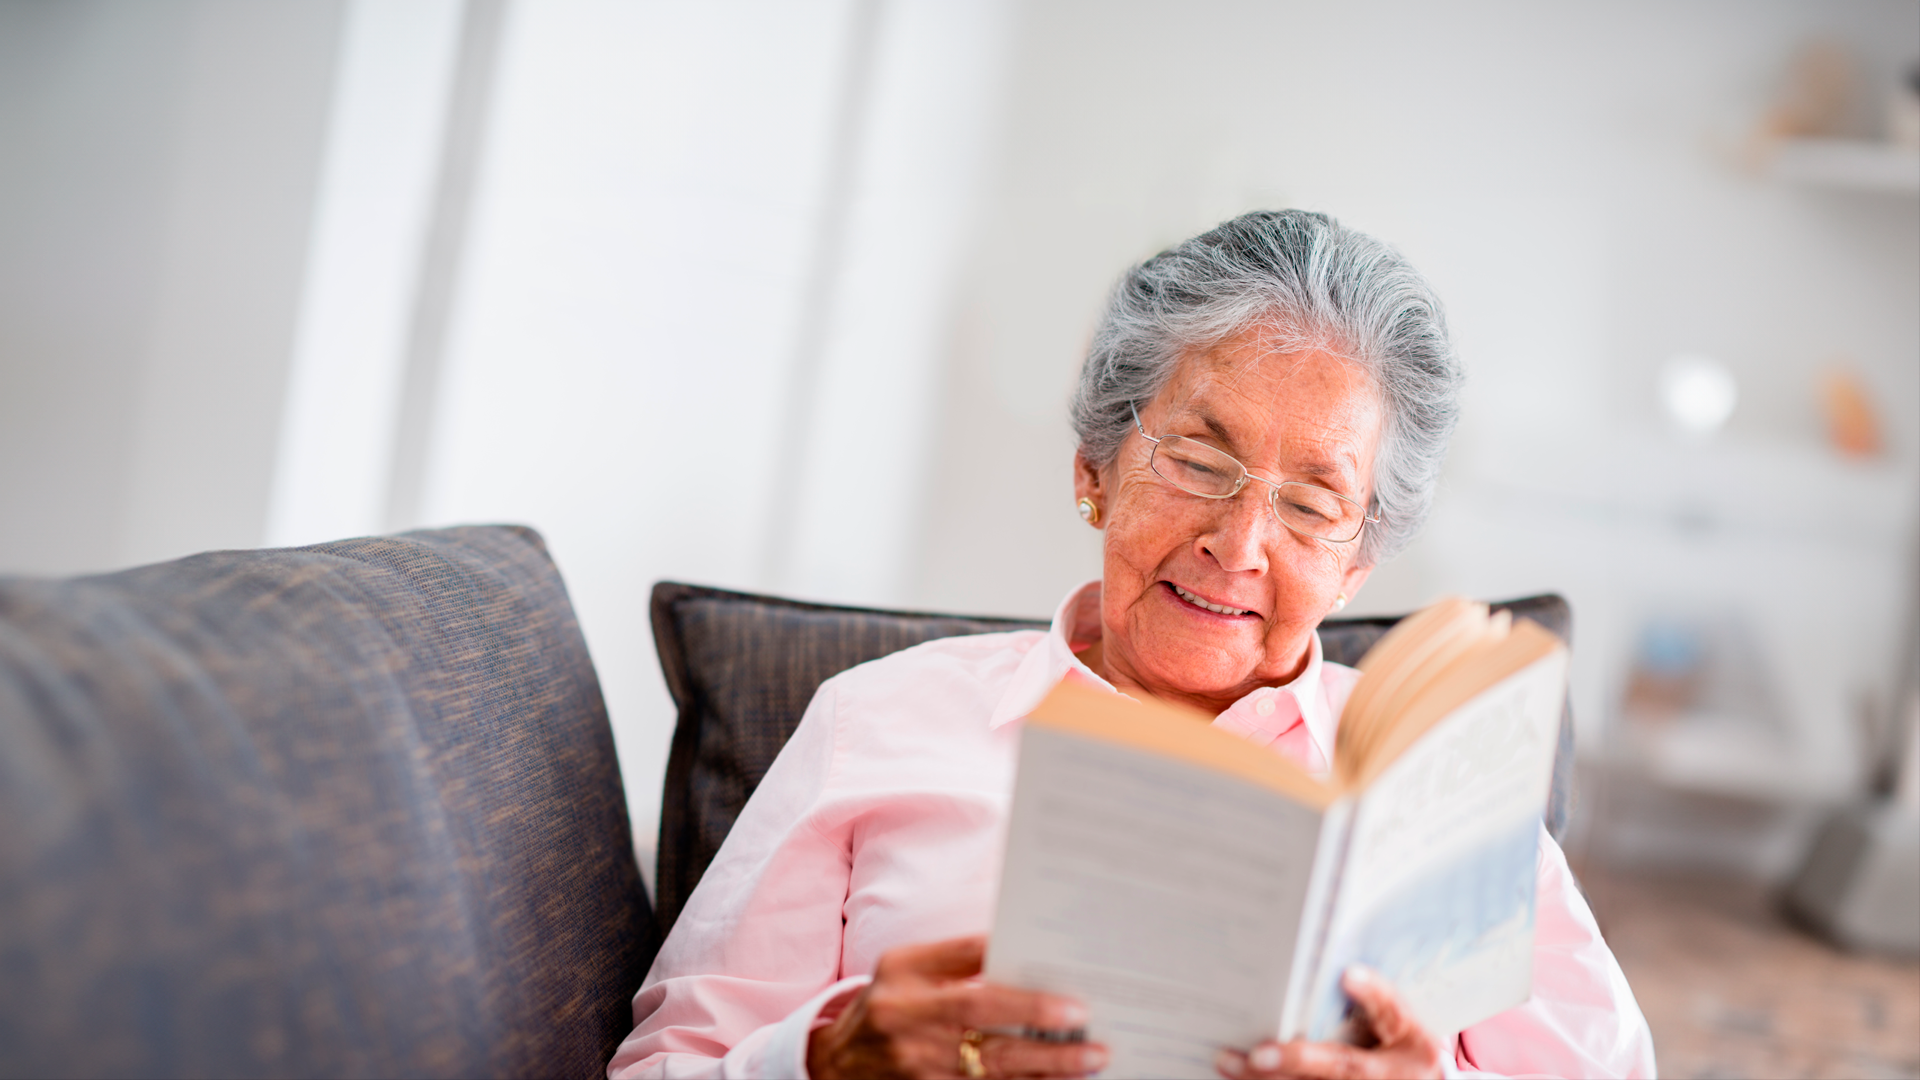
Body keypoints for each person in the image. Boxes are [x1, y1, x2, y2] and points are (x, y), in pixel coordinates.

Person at [609, 211, 1656, 1079]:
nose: (1238, 545)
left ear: (1357, 566)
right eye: (1200, 462)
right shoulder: (876, 721)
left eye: (1310, 505)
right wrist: (824, 1057)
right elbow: (662, 1068)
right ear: (1095, 471)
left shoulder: (1442, 788)